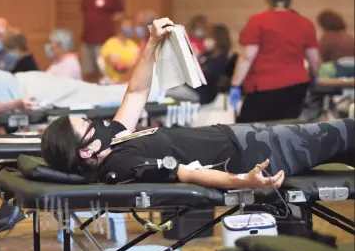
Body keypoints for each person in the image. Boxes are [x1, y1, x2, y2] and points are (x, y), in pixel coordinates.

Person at [40, 18, 354, 191]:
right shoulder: (119, 165)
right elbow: (186, 174)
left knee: (345, 142)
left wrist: (151, 44)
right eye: (85, 125)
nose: (93, 122)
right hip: (253, 152)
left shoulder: (116, 139)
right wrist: (242, 181)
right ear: (85, 151)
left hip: (243, 137)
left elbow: (136, 93)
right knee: (347, 132)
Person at [229, 0, 322, 122]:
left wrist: (235, 85)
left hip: (263, 88)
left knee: (249, 135)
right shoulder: (305, 23)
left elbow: (247, 57)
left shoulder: (258, 21)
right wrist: (315, 77)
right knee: (286, 132)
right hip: (296, 87)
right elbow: (314, 60)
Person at [0, 68, 161, 112]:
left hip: (28, 84)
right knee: (95, 94)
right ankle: (151, 90)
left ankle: (151, 89)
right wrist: (15, 104)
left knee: (95, 93)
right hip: (29, 91)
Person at [81, 0, 124, 77]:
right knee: (88, 71)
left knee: (102, 70)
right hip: (87, 39)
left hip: (103, 40)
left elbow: (119, 13)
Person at [100, 16, 140, 84]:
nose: (130, 28)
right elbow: (118, 68)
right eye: (127, 25)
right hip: (115, 83)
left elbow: (140, 63)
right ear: (118, 27)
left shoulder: (133, 44)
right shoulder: (110, 45)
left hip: (132, 82)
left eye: (130, 25)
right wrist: (133, 65)